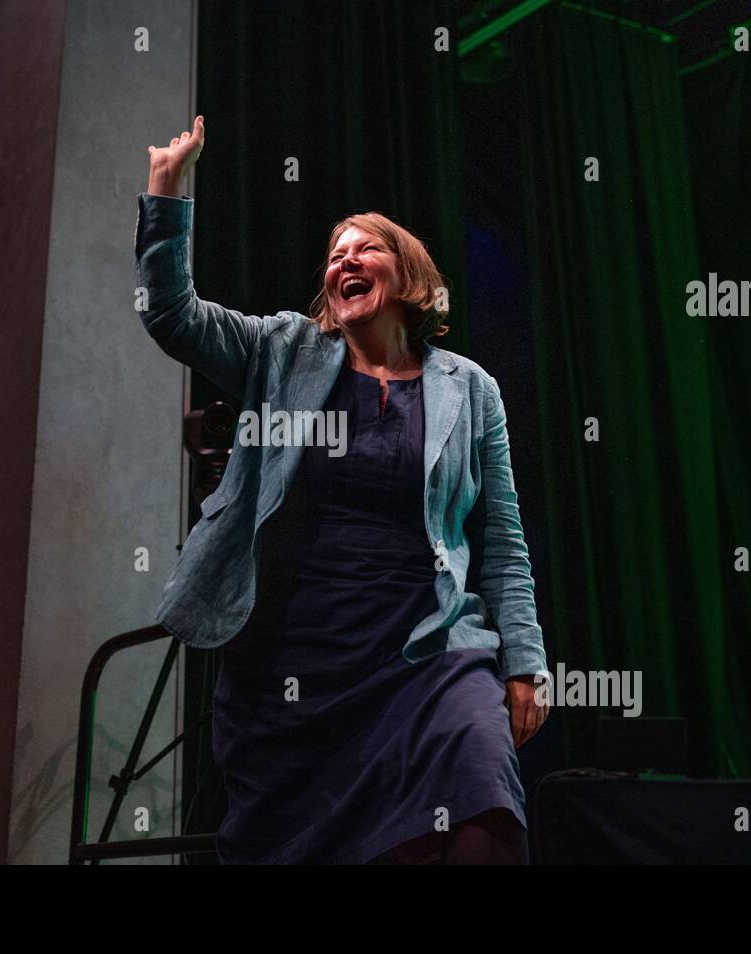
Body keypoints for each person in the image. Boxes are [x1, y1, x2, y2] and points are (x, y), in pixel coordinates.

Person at [138, 116, 550, 864]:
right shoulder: (283, 350)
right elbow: (172, 315)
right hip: (298, 656)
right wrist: (167, 189)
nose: (345, 261)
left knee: (483, 805)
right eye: (335, 255)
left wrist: (523, 660)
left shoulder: (472, 390)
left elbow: (503, 539)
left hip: (428, 646)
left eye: (366, 247)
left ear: (410, 276)